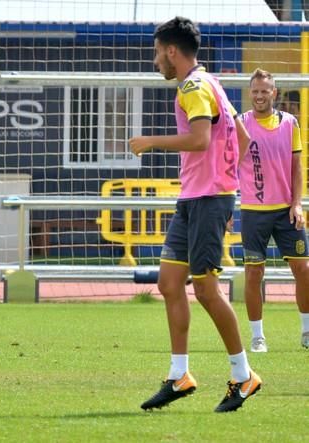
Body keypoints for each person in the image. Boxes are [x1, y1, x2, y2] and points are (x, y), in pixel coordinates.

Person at [129, 17, 262, 413]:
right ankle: (179, 375)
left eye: (157, 53)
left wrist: (150, 141)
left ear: (172, 51)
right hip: (196, 199)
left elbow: (201, 139)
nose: (156, 62)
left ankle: (243, 376)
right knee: (170, 283)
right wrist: (226, 181)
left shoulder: (193, 87)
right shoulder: (212, 82)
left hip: (207, 200)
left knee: (205, 289)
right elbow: (243, 137)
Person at [238, 69, 309, 352]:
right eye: (255, 91)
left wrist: (297, 203)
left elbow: (297, 168)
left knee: (303, 269)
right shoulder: (240, 124)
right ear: (250, 93)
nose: (259, 96)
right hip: (254, 212)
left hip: (286, 212)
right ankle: (258, 337)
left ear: (274, 93)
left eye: (264, 91)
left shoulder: (290, 123)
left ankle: (306, 331)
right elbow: (229, 164)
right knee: (254, 274)